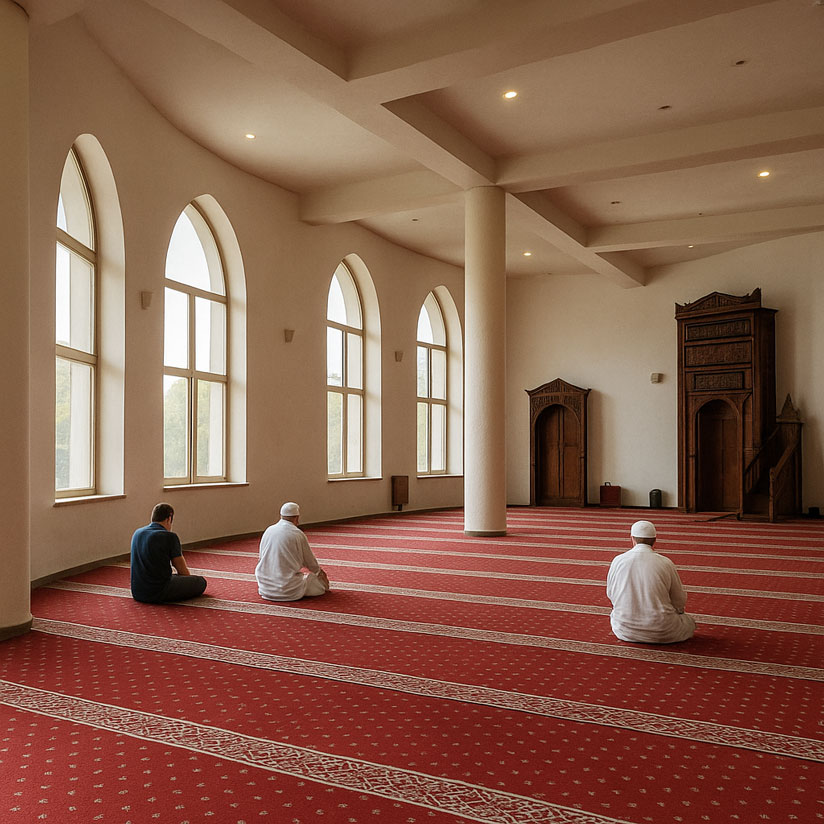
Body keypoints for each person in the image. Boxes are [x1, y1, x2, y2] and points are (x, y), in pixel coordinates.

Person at [606, 520, 696, 643]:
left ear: (632, 539)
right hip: (663, 631)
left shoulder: (618, 561)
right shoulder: (665, 562)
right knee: (690, 622)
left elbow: (611, 594)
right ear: (654, 540)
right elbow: (679, 600)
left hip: (624, 630)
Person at [130, 502, 207, 603]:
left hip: (138, 592)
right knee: (200, 582)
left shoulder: (137, 533)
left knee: (175, 577)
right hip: (159, 591)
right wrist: (190, 580)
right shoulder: (170, 537)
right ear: (169, 518)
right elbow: (181, 569)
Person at [255, 502, 330, 601]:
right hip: (288, 588)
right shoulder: (297, 534)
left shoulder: (269, 530)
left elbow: (261, 557)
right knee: (319, 586)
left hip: (265, 587)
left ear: (281, 516)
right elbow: (310, 561)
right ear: (297, 518)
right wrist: (320, 573)